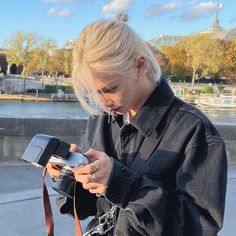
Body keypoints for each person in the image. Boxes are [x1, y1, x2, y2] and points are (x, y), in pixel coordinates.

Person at [46, 18, 227, 235]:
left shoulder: (194, 130)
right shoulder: (102, 119)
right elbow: (92, 209)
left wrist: (122, 184)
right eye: (93, 93)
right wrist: (73, 177)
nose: (103, 102)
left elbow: (197, 228)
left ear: (140, 66)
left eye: (110, 88)